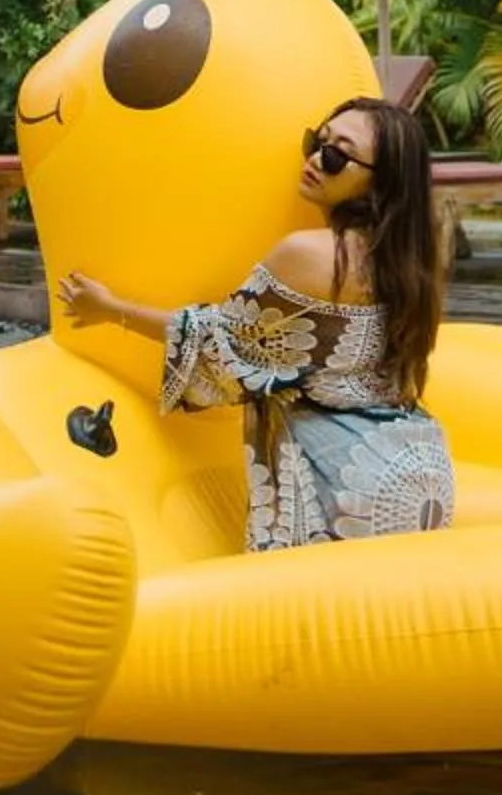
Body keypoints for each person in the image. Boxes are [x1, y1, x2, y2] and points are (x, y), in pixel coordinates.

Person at [58, 96, 455, 550]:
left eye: (336, 156)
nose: (315, 159)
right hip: (420, 470)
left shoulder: (308, 255)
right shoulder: (416, 260)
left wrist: (110, 309)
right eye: (316, 142)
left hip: (347, 477)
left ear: (378, 182)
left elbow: (217, 339)